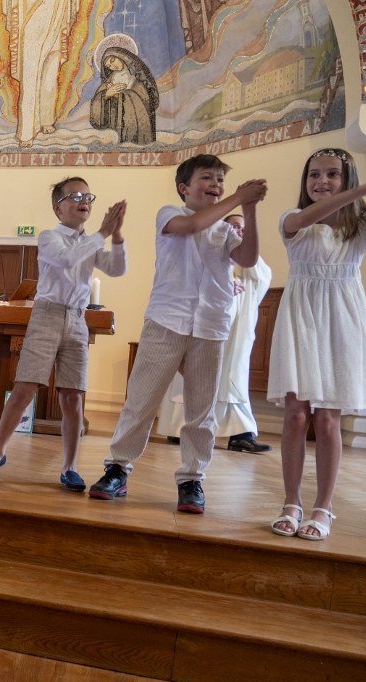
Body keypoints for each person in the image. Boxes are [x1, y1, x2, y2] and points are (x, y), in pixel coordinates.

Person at [88, 154, 267, 513]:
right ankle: (118, 468)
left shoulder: (225, 230)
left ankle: (191, 478)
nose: (215, 184)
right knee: (141, 401)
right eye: (207, 178)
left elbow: (248, 259)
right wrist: (239, 197)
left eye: (220, 179)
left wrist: (249, 209)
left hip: (211, 324)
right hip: (167, 320)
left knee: (202, 409)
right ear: (184, 188)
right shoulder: (169, 213)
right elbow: (191, 226)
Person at [0, 177, 126, 489]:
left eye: (88, 197)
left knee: (73, 397)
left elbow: (117, 268)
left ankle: (70, 467)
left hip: (77, 319)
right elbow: (67, 259)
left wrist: (116, 233)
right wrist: (103, 233)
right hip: (47, 316)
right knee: (25, 388)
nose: (84, 201)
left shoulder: (91, 241)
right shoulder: (49, 237)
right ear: (58, 208)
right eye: (75, 196)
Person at [268, 148, 366, 541]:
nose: (321, 181)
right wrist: (363, 190)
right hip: (301, 317)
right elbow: (305, 218)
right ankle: (291, 503)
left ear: (347, 179)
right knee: (296, 416)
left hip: (342, 321)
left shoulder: (362, 229)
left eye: (332, 174)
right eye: (314, 174)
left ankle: (324, 508)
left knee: (328, 419)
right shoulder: (293, 221)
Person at [157, 213, 273, 452]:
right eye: (234, 227)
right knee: (194, 377)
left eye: (243, 229)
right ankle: (179, 428)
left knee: (233, 378)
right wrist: (223, 282)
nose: (239, 232)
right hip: (203, 327)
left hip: (236, 334)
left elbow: (261, 278)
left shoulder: (248, 261)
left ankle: (240, 433)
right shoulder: (204, 251)